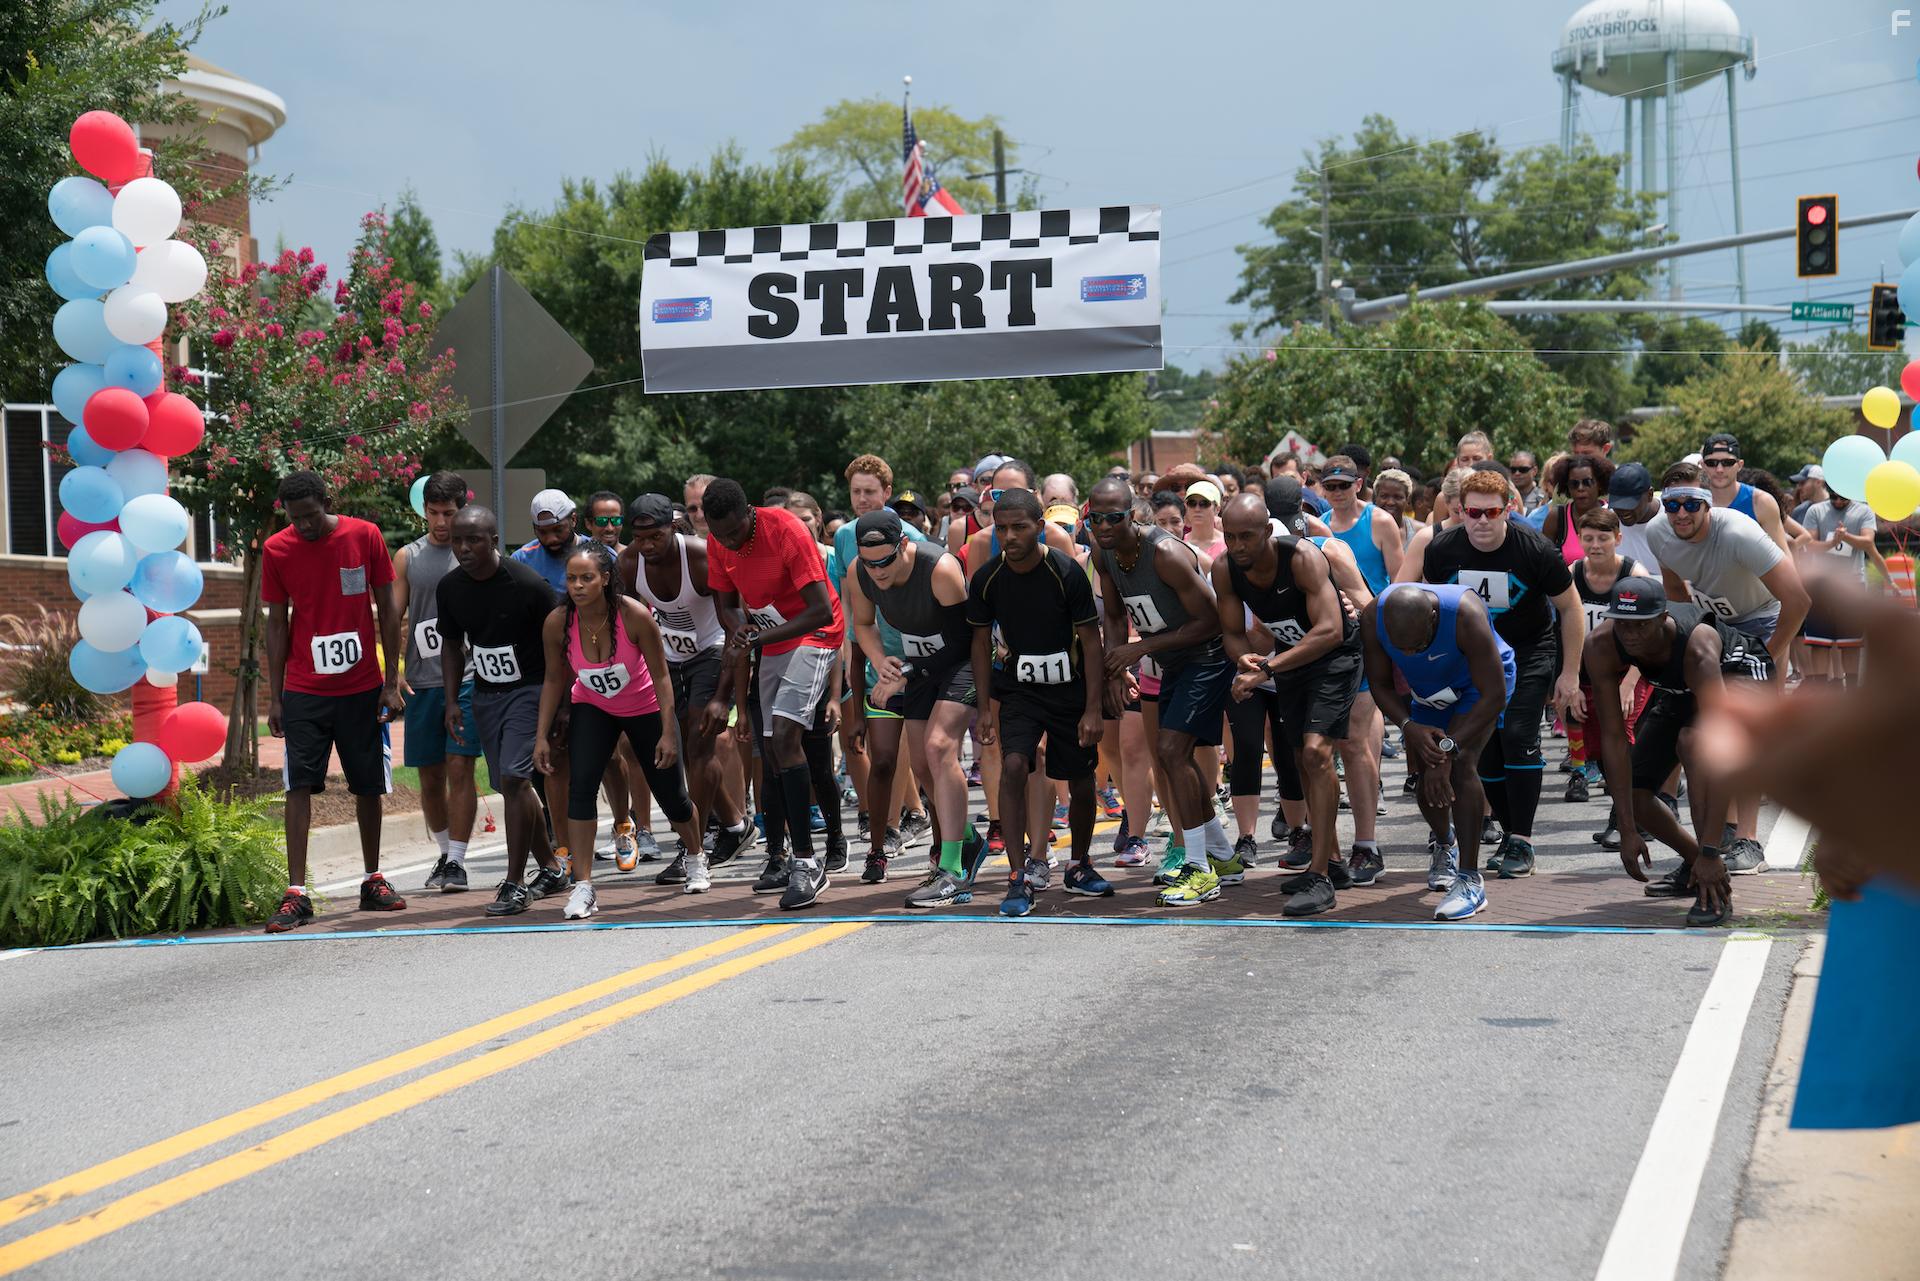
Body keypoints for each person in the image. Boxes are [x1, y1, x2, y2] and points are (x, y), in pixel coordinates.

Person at [1400, 467, 1585, 879]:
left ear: (1509, 510)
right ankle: (1507, 832)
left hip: (1528, 650)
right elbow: (1434, 606)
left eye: (1492, 512)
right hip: (1473, 658)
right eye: (1473, 512)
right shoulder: (1442, 549)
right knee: (1483, 748)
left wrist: (1569, 674)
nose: (1482, 522)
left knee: (1518, 734)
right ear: (1459, 511)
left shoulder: (1535, 550)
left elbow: (1571, 608)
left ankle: (1522, 838)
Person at [1643, 460, 1810, 870]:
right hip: (1711, 624)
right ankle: (1727, 830)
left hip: (1762, 621)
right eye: (1671, 505)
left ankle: (1750, 841)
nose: (1681, 513)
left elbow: (1799, 600)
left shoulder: (1737, 531)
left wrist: (1768, 655)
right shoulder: (1657, 532)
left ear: (1708, 504)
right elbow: (1672, 586)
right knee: (1706, 728)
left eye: (1690, 503)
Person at [261, 471, 407, 933]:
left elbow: (387, 607)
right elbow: (276, 623)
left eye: (310, 515)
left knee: (367, 784)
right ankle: (296, 893)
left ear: (327, 500)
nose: (303, 525)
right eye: (294, 517)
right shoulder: (276, 550)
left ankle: (373, 879)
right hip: (305, 688)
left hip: (362, 686)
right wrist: (276, 695)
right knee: (298, 785)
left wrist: (391, 680)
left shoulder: (364, 535)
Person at [1583, 576, 1773, 926]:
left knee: (1693, 742)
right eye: (1622, 624)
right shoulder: (1600, 645)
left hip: (1741, 674)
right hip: (1681, 689)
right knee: (1637, 793)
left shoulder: (1696, 647)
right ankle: (1696, 864)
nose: (1630, 635)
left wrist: (1713, 850)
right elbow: (1613, 738)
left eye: (1640, 625)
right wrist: (1626, 828)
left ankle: (1713, 876)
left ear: (1662, 618)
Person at [698, 479, 846, 910]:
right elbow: (726, 604)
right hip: (771, 636)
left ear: (750, 511)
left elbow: (819, 609)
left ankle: (806, 862)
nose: (727, 540)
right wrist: (736, 626)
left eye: (734, 531)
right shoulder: (718, 540)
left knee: (785, 739)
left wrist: (755, 641)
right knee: (770, 750)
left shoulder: (785, 530)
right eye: (718, 533)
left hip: (816, 632)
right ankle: (779, 856)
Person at [533, 544, 703, 918]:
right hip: (593, 706)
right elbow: (552, 678)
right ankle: (584, 886)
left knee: (672, 796)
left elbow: (662, 674)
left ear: (605, 579)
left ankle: (695, 854)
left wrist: (668, 732)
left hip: (645, 708)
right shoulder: (558, 622)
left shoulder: (635, 615)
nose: (577, 586)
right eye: (572, 579)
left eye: (586, 578)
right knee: (581, 789)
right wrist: (542, 735)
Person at [1215, 493, 1363, 915]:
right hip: (1290, 660)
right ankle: (1332, 862)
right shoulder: (1225, 568)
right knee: (1300, 759)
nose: (1238, 545)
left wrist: (1266, 669)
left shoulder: (1302, 559)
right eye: (1230, 537)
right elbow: (1230, 630)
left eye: (1246, 536)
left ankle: (1319, 877)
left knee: (1317, 752)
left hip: (1334, 657)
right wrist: (1242, 657)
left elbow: (1332, 630)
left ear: (1267, 531)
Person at [1088, 478, 1233, 907]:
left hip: (1208, 657)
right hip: (1172, 660)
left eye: (1114, 517)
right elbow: (1113, 616)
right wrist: (1117, 666)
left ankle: (1198, 870)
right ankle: (1223, 856)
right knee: (1170, 757)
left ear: (1132, 515)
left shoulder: (1166, 553)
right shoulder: (1104, 553)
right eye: (1096, 518)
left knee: (1171, 753)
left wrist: (1143, 647)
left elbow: (1212, 621)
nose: (1105, 525)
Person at [970, 488, 1111, 917]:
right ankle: (1018, 875)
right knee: (1014, 764)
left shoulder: (1065, 572)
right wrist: (981, 708)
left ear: (1040, 527)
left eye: (1020, 527)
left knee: (1080, 777)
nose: (1010, 536)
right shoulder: (988, 577)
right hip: (1020, 690)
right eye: (1002, 528)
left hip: (1069, 689)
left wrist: (1092, 708)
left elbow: (1090, 640)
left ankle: (1079, 864)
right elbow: (978, 644)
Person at [846, 508, 991, 905]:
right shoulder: (860, 572)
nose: (877, 571)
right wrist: (879, 661)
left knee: (940, 746)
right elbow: (862, 625)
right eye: (869, 561)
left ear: (904, 545)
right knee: (922, 766)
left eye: (886, 561)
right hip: (918, 666)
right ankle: (968, 839)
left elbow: (965, 641)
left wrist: (905, 672)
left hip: (959, 661)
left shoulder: (939, 569)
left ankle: (953, 868)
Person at [434, 506, 570, 917]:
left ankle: (515, 883)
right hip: (487, 695)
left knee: (514, 778)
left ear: (494, 541)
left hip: (531, 691)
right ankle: (550, 866)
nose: (463, 548)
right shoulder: (451, 588)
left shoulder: (528, 584)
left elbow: (563, 644)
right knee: (508, 785)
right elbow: (452, 645)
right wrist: (452, 699)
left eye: (473, 539)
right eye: (457, 540)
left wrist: (562, 705)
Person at [619, 494, 755, 876]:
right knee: (680, 751)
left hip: (712, 651)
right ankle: (735, 825)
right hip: (668, 657)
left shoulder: (700, 556)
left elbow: (735, 628)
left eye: (656, 537)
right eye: (640, 537)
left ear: (672, 528)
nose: (647, 546)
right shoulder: (630, 563)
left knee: (699, 745)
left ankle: (692, 844)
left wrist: (724, 696)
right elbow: (626, 624)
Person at [1365, 584, 1516, 920]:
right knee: (1425, 776)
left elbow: (1493, 694)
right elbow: (1380, 684)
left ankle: (1470, 880)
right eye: (1403, 650)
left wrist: (1448, 748)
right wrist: (1408, 727)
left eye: (1419, 645)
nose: (1412, 654)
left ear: (1433, 618)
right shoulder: (1372, 616)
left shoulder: (1465, 614)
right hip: (1430, 694)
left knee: (1461, 764)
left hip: (1478, 687)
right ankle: (1445, 842)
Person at [394, 471, 481, 894]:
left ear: (462, 509)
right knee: (429, 777)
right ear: (423, 511)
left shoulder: (476, 553)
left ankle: (459, 861)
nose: (442, 522)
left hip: (468, 678)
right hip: (421, 680)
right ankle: (445, 854)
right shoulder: (408, 557)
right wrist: (390, 668)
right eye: (434, 513)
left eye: (449, 513)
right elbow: (391, 616)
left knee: (460, 766)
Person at [581, 487, 649, 867]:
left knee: (633, 752)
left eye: (616, 520)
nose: (609, 527)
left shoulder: (630, 559)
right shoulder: (581, 561)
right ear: (588, 523)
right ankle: (621, 825)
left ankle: (644, 829)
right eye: (602, 521)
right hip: (591, 667)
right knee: (607, 754)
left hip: (629, 663)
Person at [1564, 508, 1646, 806]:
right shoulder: (1572, 573)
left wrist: (1629, 683)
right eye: (1588, 539)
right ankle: (1585, 772)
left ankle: (1632, 799)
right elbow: (1563, 627)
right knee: (1583, 725)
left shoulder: (1634, 576)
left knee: (1620, 730)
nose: (1595, 545)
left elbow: (1650, 637)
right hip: (1587, 666)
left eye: (1603, 538)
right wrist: (1569, 676)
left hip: (1630, 668)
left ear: (1618, 539)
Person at [1796, 488, 1877, 686]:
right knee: (1819, 642)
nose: (1838, 501)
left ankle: (1850, 690)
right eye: (1834, 497)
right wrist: (1833, 542)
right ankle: (1823, 688)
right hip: (1821, 584)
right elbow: (1810, 544)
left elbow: (1868, 542)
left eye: (1843, 498)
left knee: (1850, 644)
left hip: (1852, 583)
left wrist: (1846, 537)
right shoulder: (1816, 510)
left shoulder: (1864, 511)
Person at [1700, 433, 1790, 552]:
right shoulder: (1691, 502)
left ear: (1739, 465)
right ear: (1702, 465)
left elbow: (1783, 555)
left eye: (1727, 462)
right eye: (1711, 463)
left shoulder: (1761, 502)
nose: (1719, 469)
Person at [1542, 454, 1616, 566]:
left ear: (1599, 484)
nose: (1580, 488)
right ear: (1567, 487)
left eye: (1587, 482)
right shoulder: (1556, 517)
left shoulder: (1613, 515)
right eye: (1574, 484)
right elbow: (1544, 561)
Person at [1604, 462, 1663, 579]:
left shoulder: (1673, 518)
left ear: (1650, 495)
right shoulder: (1605, 520)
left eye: (1630, 504)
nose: (1623, 511)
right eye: (1617, 504)